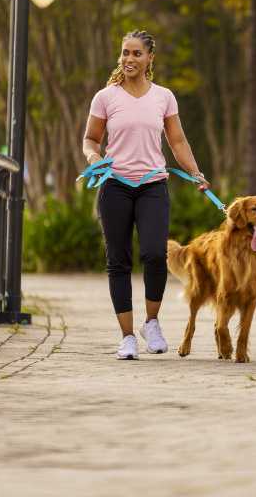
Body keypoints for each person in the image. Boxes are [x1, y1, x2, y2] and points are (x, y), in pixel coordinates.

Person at [82, 30, 209, 360]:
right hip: (116, 185)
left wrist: (195, 172)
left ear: (150, 58)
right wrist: (94, 157)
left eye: (137, 53)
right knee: (118, 261)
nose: (129, 59)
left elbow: (177, 141)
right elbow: (91, 139)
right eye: (125, 53)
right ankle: (126, 337)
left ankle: (151, 322)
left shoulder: (163, 97)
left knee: (155, 254)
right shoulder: (106, 97)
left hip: (153, 184)